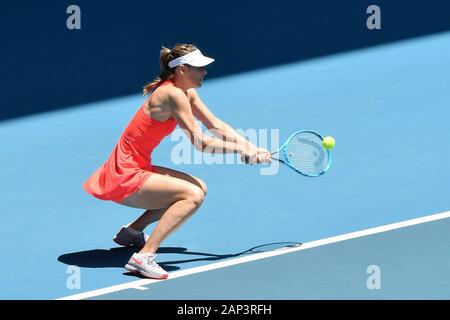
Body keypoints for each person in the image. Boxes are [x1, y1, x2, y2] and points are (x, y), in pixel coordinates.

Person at [83, 43, 271, 279]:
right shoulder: (171, 94)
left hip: (135, 166)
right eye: (199, 68)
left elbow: (215, 125)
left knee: (200, 186)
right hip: (125, 175)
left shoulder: (185, 92)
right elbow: (201, 143)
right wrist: (241, 152)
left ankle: (132, 232)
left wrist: (250, 147)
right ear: (182, 69)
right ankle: (144, 256)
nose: (205, 72)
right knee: (192, 196)